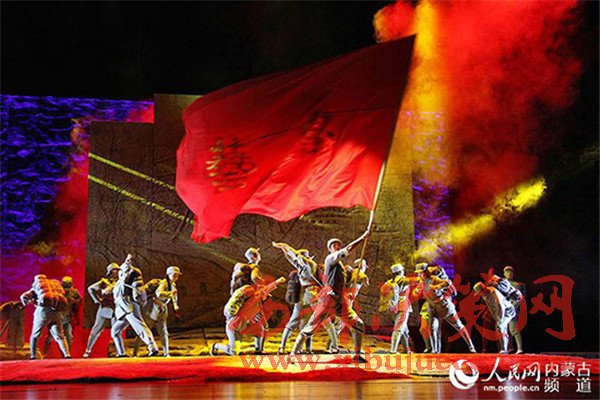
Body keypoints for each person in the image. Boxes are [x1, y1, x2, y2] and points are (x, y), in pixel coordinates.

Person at [289, 229, 370, 363]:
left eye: (338, 244)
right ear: (329, 248)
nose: (337, 246)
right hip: (329, 298)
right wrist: (362, 237)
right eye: (334, 245)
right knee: (311, 326)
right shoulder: (330, 259)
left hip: (341, 299)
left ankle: (356, 355)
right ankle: (293, 354)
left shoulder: (341, 266)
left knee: (358, 325)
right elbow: (347, 249)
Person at [273, 242, 337, 354]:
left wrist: (285, 247)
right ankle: (307, 349)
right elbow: (292, 258)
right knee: (314, 322)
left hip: (308, 296)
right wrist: (285, 249)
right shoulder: (309, 266)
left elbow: (294, 257)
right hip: (309, 296)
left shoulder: (306, 265)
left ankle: (284, 347)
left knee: (298, 322)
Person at [210, 277, 286, 356]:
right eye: (267, 296)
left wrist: (265, 325)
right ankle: (215, 346)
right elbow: (264, 291)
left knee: (260, 328)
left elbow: (261, 317)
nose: (267, 297)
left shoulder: (258, 306)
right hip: (234, 328)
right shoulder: (253, 300)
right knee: (234, 352)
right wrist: (277, 282)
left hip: (243, 328)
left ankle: (259, 350)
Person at [413, 263, 476, 353]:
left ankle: (471, 346)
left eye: (421, 273)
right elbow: (417, 290)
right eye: (418, 273)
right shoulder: (421, 282)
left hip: (443, 306)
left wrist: (437, 287)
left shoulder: (434, 279)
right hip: (432, 306)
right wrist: (417, 291)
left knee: (458, 325)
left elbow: (449, 285)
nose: (419, 275)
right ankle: (434, 350)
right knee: (432, 328)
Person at [111, 254, 159, 357]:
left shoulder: (124, 277)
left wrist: (127, 260)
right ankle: (121, 353)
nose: (112, 274)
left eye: (112, 271)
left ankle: (153, 347)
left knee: (140, 326)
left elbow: (126, 268)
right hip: (122, 309)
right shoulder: (119, 283)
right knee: (115, 331)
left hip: (129, 306)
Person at [20, 275, 70, 359]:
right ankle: (67, 354)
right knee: (60, 336)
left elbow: (23, 296)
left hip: (43, 312)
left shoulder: (37, 287)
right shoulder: (54, 286)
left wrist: (26, 304)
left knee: (35, 335)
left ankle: (33, 356)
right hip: (56, 312)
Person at [379, 263, 419, 354]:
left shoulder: (390, 281)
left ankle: (406, 350)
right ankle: (393, 350)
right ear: (400, 271)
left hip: (394, 307)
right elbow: (416, 280)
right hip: (402, 307)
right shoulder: (401, 279)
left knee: (404, 330)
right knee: (399, 328)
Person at [143, 266, 182, 357]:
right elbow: (159, 294)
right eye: (174, 275)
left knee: (163, 331)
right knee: (146, 330)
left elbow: (174, 297)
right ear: (168, 275)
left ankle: (166, 353)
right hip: (153, 308)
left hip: (162, 308)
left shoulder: (172, 285)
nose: (176, 277)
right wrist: (170, 293)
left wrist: (175, 305)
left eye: (177, 275)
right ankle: (135, 352)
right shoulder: (164, 283)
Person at [83, 263, 119, 358]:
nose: (117, 271)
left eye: (117, 270)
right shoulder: (104, 282)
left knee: (116, 330)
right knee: (96, 329)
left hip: (116, 308)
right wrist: (97, 300)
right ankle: (88, 350)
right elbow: (90, 289)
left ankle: (119, 351)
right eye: (115, 270)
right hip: (105, 307)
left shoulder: (121, 281)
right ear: (110, 272)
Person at [42, 276, 81, 357]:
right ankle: (44, 354)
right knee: (50, 336)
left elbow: (80, 299)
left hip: (67, 318)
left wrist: (74, 301)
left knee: (69, 336)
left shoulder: (74, 292)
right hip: (57, 317)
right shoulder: (58, 291)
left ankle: (66, 354)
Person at [473, 282, 516, 353]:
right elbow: (491, 307)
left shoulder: (493, 293)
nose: (479, 295)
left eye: (479, 293)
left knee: (500, 326)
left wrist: (500, 319)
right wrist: (495, 317)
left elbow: (500, 306)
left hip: (507, 310)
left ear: (483, 290)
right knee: (499, 327)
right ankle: (504, 348)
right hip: (500, 311)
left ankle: (504, 349)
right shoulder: (485, 295)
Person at [503, 266, 525, 354]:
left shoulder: (517, 285)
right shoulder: (502, 285)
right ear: (504, 274)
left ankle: (519, 348)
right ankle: (507, 348)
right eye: (507, 272)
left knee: (513, 329)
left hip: (512, 309)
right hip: (503, 310)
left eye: (511, 272)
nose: (509, 273)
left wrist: (513, 308)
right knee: (503, 330)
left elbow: (519, 298)